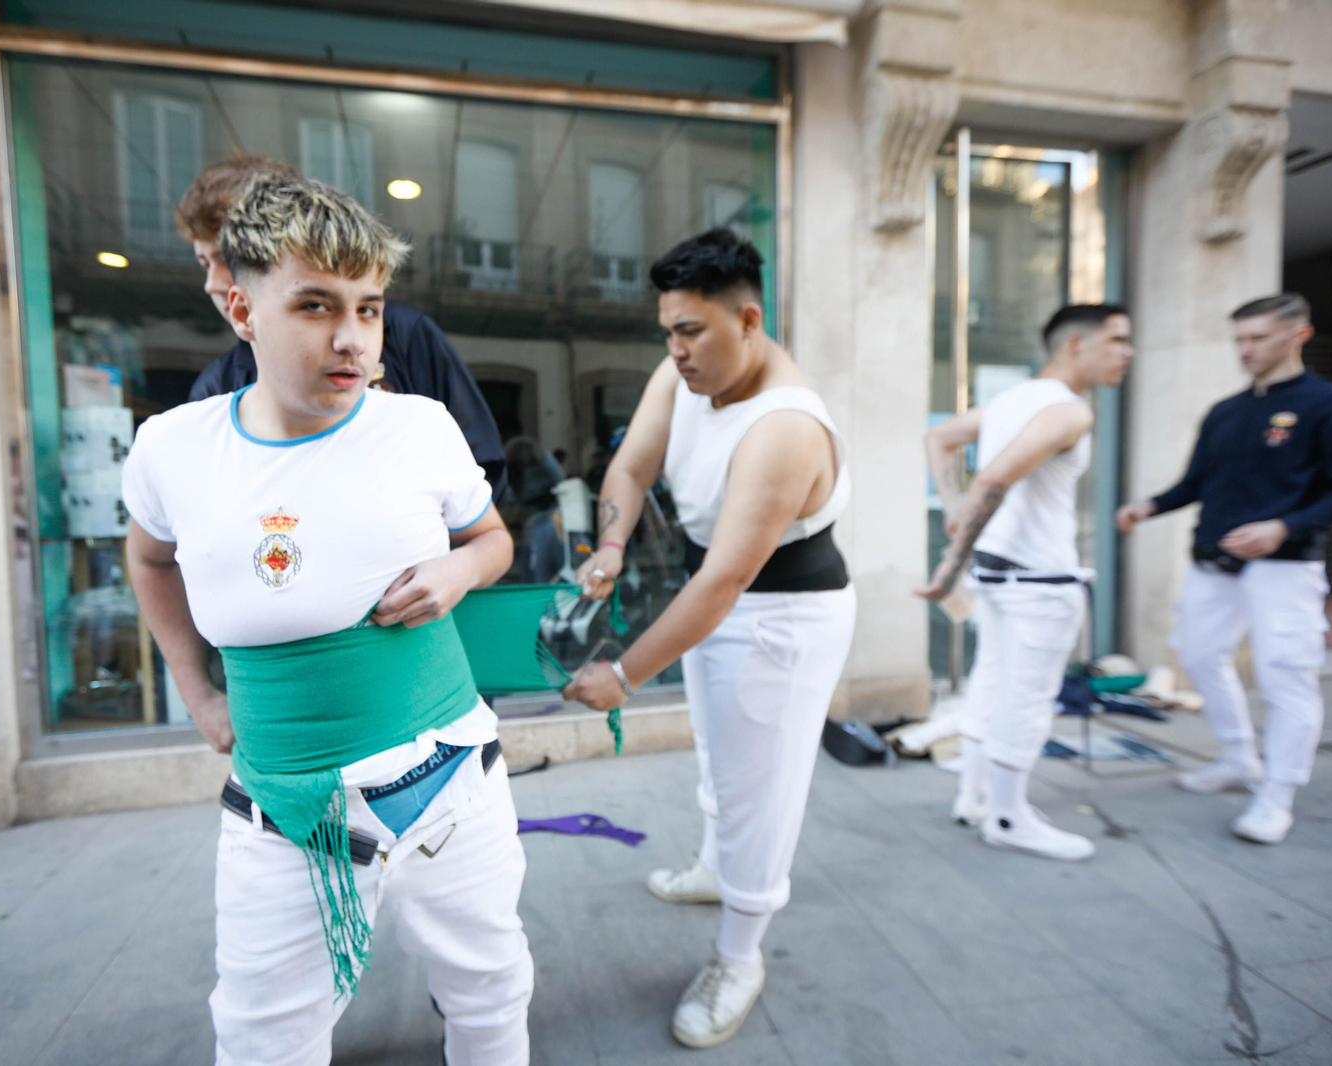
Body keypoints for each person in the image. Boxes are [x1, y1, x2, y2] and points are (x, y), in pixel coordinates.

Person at [124, 173, 532, 1065]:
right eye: (315, 306)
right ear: (241, 308)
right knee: (264, 1039)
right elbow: (149, 559)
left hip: (450, 781)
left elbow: (493, 538)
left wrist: (459, 569)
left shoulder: (420, 427)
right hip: (284, 811)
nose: (352, 340)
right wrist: (196, 691)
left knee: (491, 994)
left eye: (370, 308)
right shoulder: (174, 448)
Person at [563, 228, 856, 1049]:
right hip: (718, 595)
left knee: (762, 786)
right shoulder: (686, 368)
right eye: (669, 331)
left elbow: (723, 582)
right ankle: (714, 868)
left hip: (782, 614)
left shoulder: (785, 428)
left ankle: (741, 953)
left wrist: (623, 673)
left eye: (691, 331)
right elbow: (628, 470)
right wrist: (613, 548)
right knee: (719, 753)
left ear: (748, 320)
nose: (676, 349)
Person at [1117, 293, 1332, 845]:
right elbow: (1195, 483)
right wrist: (1149, 506)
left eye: (1257, 337)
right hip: (1213, 561)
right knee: (1200, 655)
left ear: (1299, 334)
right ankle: (1238, 758)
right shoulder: (1225, 411)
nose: (1245, 349)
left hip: (1284, 565)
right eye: (1239, 339)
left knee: (1287, 674)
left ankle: (1278, 793)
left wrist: (1284, 526)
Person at [917, 304, 1135, 861]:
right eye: (1117, 340)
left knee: (990, 680)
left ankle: (974, 797)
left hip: (998, 576)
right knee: (1028, 698)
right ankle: (1010, 817)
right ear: (1075, 345)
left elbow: (941, 437)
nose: (1128, 353)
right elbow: (992, 478)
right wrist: (950, 559)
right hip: (1039, 582)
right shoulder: (1069, 411)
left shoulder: (1011, 402)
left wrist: (951, 508)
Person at [176, 155, 507, 496]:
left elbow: (480, 470)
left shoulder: (404, 335)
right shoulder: (214, 392)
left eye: (226, 258)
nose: (212, 282)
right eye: (204, 262)